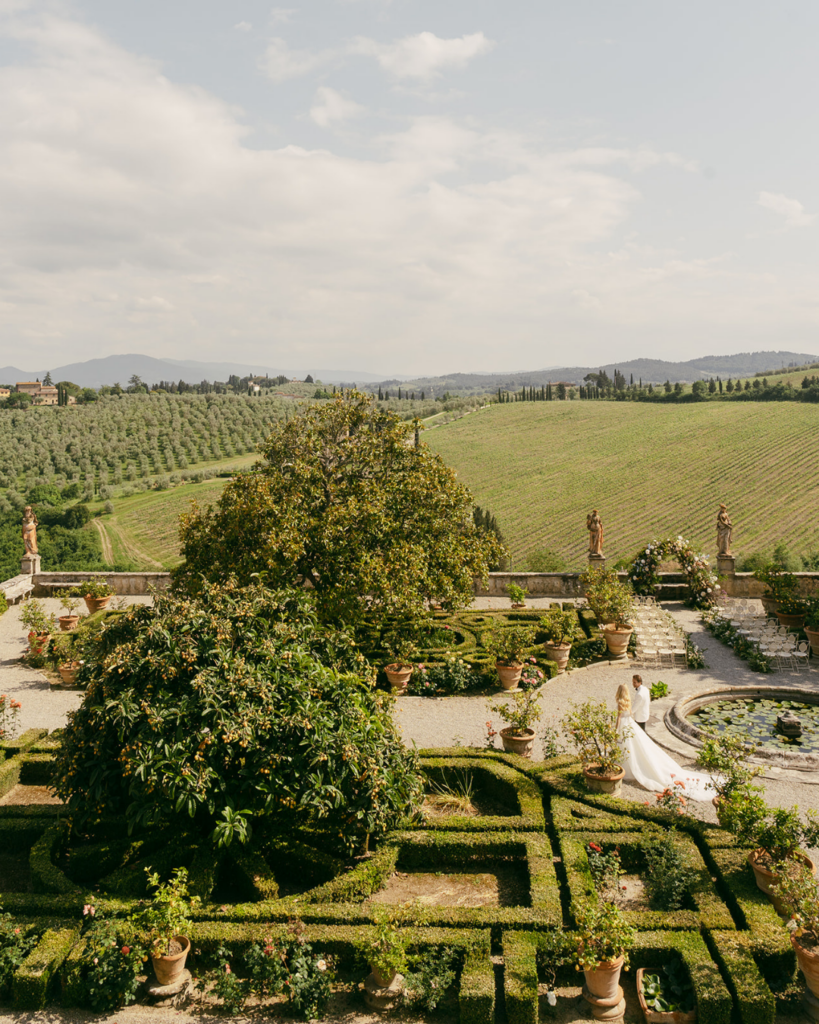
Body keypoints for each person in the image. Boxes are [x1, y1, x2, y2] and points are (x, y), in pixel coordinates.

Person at [614, 682, 717, 801]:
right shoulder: (628, 701)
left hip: (624, 724)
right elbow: (631, 713)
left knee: (625, 744)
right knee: (634, 745)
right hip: (630, 724)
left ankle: (625, 767)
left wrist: (616, 730)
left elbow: (619, 718)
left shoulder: (620, 703)